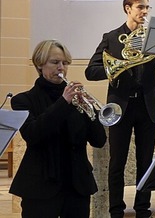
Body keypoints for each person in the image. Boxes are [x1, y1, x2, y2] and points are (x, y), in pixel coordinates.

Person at [84, 0, 155, 218]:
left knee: (146, 162)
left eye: (147, 7)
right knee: (117, 163)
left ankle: (143, 209)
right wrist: (117, 67)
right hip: (119, 107)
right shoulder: (112, 37)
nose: (144, 11)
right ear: (128, 9)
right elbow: (90, 71)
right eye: (140, 7)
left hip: (147, 107)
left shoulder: (154, 38)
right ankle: (116, 211)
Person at [10, 40, 107, 218]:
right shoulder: (23, 100)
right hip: (41, 185)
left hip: (77, 185)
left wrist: (91, 111)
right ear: (40, 64)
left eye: (65, 63)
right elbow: (33, 135)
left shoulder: (78, 100)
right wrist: (63, 103)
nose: (61, 68)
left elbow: (99, 141)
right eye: (55, 62)